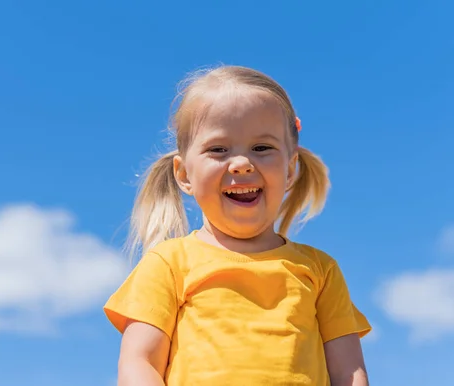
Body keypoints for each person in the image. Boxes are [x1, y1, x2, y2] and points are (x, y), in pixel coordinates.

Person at [103, 65, 371, 385]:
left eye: (262, 148)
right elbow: (140, 362)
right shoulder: (169, 264)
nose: (242, 164)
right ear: (185, 174)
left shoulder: (321, 271)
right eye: (218, 149)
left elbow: (348, 371)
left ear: (289, 171)